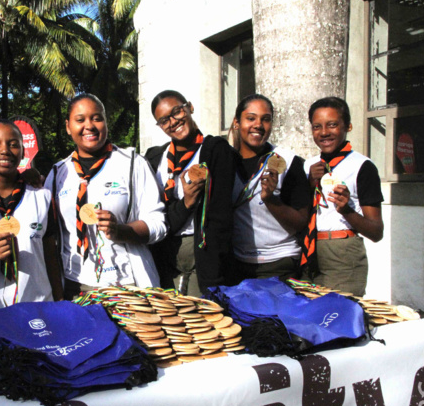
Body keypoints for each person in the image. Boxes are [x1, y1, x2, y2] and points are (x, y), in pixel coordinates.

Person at [46, 93, 167, 300]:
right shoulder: (58, 173)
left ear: (105, 122)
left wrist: (121, 230)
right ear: (68, 126)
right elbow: (48, 235)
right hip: (77, 287)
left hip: (127, 286)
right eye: (80, 119)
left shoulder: (132, 164)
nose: (89, 126)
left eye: (96, 118)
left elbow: (159, 225)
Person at [145, 90, 235, 295]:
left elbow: (220, 213)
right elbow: (152, 211)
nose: (173, 122)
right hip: (165, 252)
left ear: (190, 107)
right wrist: (186, 203)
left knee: (198, 318)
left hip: (202, 254)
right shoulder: (155, 157)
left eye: (177, 111)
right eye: (164, 120)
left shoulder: (214, 150)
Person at [0, 119, 63, 315]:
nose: (5, 150)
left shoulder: (41, 196)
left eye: (13, 144)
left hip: (38, 308)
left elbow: (50, 256)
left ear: (22, 152)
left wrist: (60, 302)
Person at [302, 97, 384, 296]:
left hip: (342, 254)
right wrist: (309, 185)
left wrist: (346, 210)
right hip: (307, 251)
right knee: (309, 319)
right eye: (316, 126)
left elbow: (376, 232)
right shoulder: (308, 167)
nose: (324, 132)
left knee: (338, 318)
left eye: (332, 125)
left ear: (348, 125)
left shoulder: (362, 167)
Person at [230, 94, 310, 282]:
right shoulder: (226, 163)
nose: (258, 125)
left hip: (279, 263)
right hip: (237, 263)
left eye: (265, 119)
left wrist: (270, 199)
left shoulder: (288, 162)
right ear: (236, 122)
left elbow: (300, 222)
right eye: (251, 118)